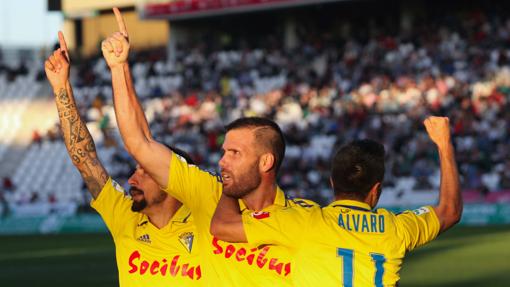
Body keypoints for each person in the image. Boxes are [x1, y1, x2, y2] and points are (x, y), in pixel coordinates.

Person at [102, 7, 316, 286]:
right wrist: (119, 69)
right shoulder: (208, 194)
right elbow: (140, 143)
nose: (223, 161)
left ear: (266, 162)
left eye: (235, 154)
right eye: (224, 152)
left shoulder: (304, 220)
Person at [210, 116, 463, 286]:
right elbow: (450, 210)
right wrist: (443, 143)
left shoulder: (302, 221)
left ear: (332, 183)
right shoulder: (396, 228)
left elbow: (221, 227)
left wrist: (229, 180)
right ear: (376, 190)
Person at [44, 31, 201, 286]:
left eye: (144, 171)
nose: (131, 178)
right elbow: (84, 159)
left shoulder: (209, 221)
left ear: (172, 180)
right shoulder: (125, 217)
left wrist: (120, 67)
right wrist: (61, 87)